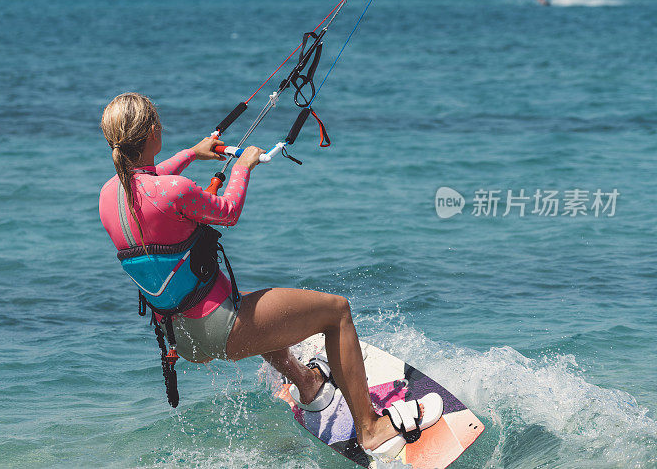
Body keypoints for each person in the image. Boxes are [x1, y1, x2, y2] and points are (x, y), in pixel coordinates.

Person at [98, 92, 441, 461]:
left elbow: (152, 183)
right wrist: (244, 165)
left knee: (256, 306)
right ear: (154, 131)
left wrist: (193, 154)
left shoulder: (108, 196)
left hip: (180, 338)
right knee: (336, 311)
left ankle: (308, 384)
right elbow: (227, 211)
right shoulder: (174, 191)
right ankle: (371, 430)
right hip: (219, 329)